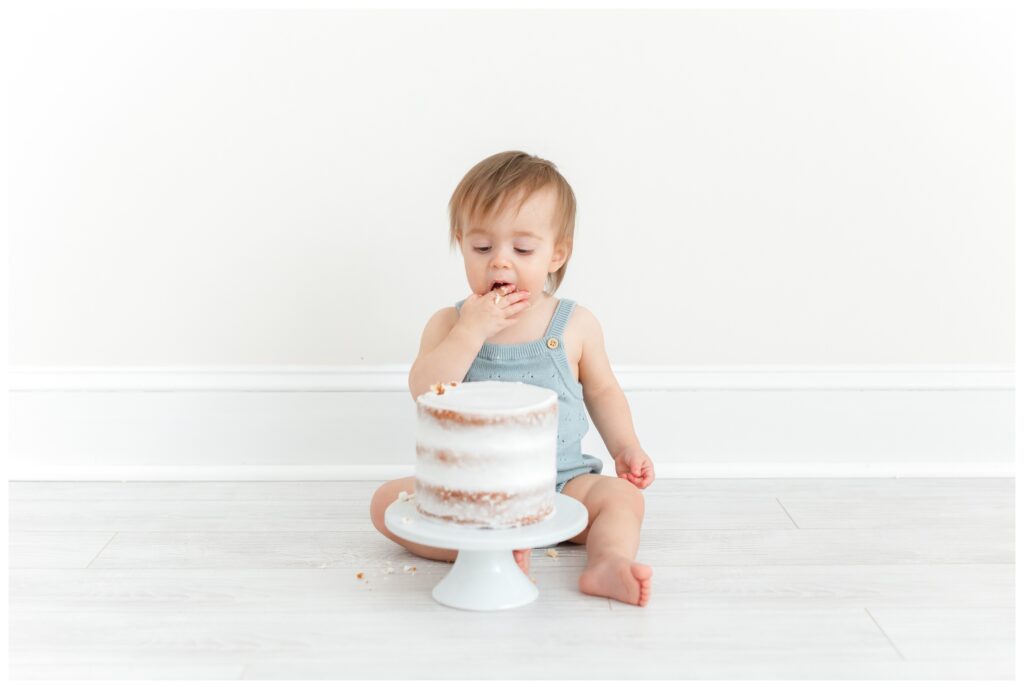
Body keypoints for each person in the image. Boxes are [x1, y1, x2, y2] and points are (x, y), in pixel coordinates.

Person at [370, 150, 654, 606]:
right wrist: (471, 331)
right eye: (482, 248)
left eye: (522, 250)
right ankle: (484, 553)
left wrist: (626, 447)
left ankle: (608, 563)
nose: (500, 263)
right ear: (461, 244)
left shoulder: (575, 325)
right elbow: (424, 391)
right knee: (387, 503)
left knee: (623, 500)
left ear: (557, 253)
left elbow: (602, 391)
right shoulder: (449, 324)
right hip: (470, 494)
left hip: (561, 484)